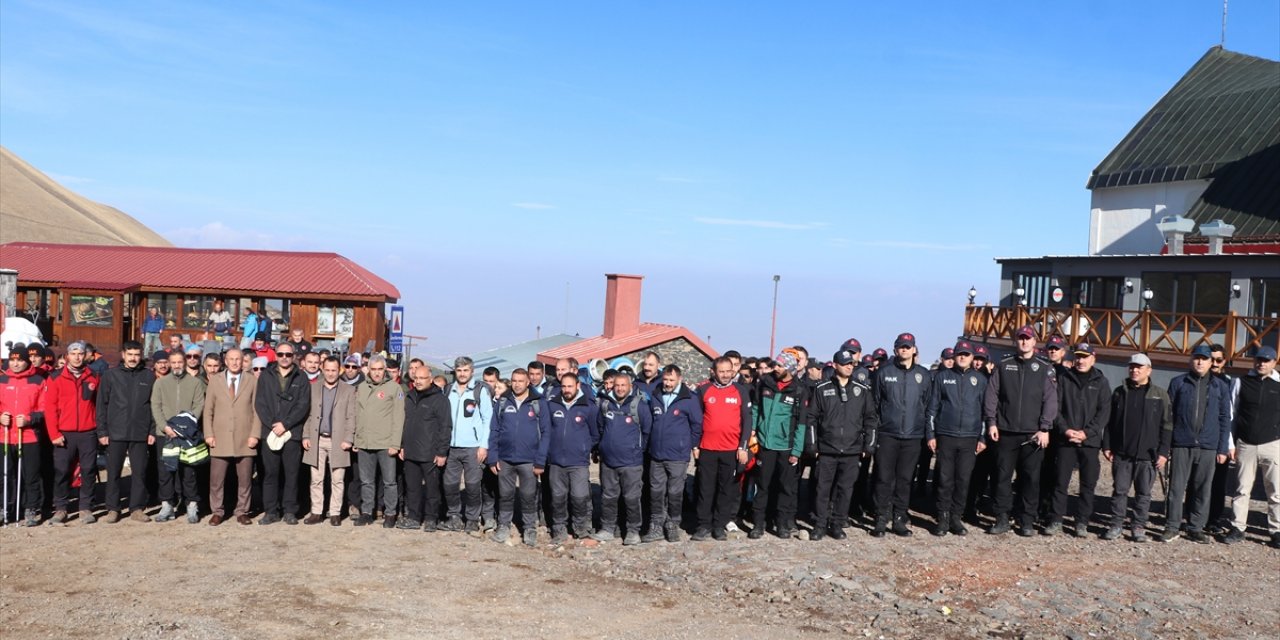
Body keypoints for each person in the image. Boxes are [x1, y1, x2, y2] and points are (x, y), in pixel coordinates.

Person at [983, 325, 1058, 536]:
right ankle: (1002, 518)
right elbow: (992, 394)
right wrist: (991, 422)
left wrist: (1045, 428)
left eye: (1028, 338)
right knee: (1002, 478)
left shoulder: (1044, 368)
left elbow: (1050, 400)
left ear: (1035, 342)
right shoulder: (1004, 365)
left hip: (1032, 435)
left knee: (1030, 480)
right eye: (1021, 338)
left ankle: (1026, 521)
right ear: (1016, 341)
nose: (1024, 342)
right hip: (1005, 432)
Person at [1160, 345, 1231, 544]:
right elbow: (1168, 416)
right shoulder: (1178, 383)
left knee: (1203, 489)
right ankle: (1172, 526)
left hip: (1208, 446)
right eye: (1197, 358)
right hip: (1182, 443)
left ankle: (1195, 527)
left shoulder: (1220, 387)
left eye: (1204, 359)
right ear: (1190, 360)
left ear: (1211, 363)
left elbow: (1225, 418)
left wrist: (1222, 448)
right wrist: (1166, 446)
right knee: (1176, 487)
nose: (1200, 362)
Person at [807, 348, 878, 540]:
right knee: (823, 490)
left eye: (851, 364)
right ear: (835, 365)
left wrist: (868, 446)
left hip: (852, 450)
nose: (849, 367)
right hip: (827, 449)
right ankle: (820, 525)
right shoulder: (822, 389)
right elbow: (811, 419)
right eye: (845, 364)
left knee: (845, 491)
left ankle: (837, 524)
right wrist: (813, 446)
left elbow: (871, 419)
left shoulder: (862, 390)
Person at [1102, 353, 1171, 541]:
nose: (1135, 370)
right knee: (1120, 491)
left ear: (1149, 370)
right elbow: (1109, 423)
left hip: (1148, 455)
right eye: (1132, 367)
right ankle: (1116, 524)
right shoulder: (1119, 392)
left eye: (1139, 367)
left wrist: (1163, 452)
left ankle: (1138, 526)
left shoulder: (1160, 395)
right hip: (1123, 453)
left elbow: (1167, 426)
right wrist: (1107, 446)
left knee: (1144, 493)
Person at [1045, 343, 1110, 537]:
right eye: (1078, 357)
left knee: (1087, 485)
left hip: (1089, 442)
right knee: (1060, 482)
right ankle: (1056, 519)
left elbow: (1104, 412)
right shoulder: (1064, 378)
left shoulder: (1101, 381)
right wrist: (1066, 430)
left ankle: (1081, 522)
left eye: (1085, 357)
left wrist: (1087, 432)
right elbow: (1056, 407)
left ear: (1093, 358)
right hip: (1066, 441)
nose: (1081, 361)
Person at [871, 332, 932, 537]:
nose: (904, 349)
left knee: (905, 479)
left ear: (914, 349)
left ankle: (899, 519)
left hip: (913, 436)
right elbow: (875, 404)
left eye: (908, 346)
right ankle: (880, 519)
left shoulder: (923, 375)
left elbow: (927, 404)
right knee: (883, 478)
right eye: (901, 346)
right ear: (895, 349)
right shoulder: (883, 373)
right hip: (888, 434)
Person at [926, 340, 987, 537]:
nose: (962, 357)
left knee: (963, 480)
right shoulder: (943, 377)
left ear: (971, 358)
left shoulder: (980, 380)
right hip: (946, 436)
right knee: (945, 479)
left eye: (966, 354)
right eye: (959, 354)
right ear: (954, 356)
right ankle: (942, 519)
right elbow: (932, 409)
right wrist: (931, 434)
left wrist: (983, 437)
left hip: (970, 437)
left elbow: (986, 412)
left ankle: (956, 518)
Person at [1222, 346, 1279, 547]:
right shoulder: (1241, 382)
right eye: (1258, 360)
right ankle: (1237, 527)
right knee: (1241, 489)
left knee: (1275, 491)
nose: (1261, 363)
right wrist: (1230, 443)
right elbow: (1231, 414)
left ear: (1274, 362)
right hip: (1245, 444)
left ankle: (1276, 530)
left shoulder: (1278, 384)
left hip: (1273, 443)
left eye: (1266, 360)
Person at [749, 349, 807, 540]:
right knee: (762, 486)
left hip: (786, 447)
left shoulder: (799, 390)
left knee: (785, 488)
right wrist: (753, 432)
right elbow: (756, 409)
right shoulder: (765, 382)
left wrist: (796, 450)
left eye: (780, 365)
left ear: (789, 368)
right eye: (776, 364)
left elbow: (801, 423)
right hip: (765, 444)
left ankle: (781, 525)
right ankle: (758, 524)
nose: (776, 368)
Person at [692, 357, 752, 541]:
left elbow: (747, 422)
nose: (726, 374)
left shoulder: (740, 391)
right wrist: (695, 445)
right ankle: (703, 525)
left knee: (726, 490)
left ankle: (719, 525)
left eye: (729, 371)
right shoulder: (703, 390)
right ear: (713, 371)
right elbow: (696, 420)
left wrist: (743, 447)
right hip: (707, 449)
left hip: (731, 449)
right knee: (705, 488)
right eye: (722, 371)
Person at [96, 341, 156, 523]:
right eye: (130, 354)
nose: (133, 358)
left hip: (140, 432)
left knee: (139, 472)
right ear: (123, 355)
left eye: (137, 354)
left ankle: (137, 508)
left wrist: (152, 430)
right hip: (116, 432)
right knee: (113, 472)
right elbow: (101, 405)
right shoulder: (110, 375)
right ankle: (113, 509)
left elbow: (154, 405)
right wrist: (102, 431)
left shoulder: (148, 376)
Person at [643, 364, 702, 543]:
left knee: (675, 492)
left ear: (679, 379)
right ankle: (656, 525)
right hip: (657, 454)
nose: (667, 383)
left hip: (678, 455)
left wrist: (691, 446)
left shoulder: (690, 399)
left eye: (671, 380)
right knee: (656, 490)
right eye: (665, 379)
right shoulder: (655, 395)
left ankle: (672, 524)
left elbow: (696, 426)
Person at [254, 341, 311, 525]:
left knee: (291, 474)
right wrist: (273, 425)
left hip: (292, 433)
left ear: (294, 356)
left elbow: (303, 405)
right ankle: (270, 511)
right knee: (270, 474)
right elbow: (260, 403)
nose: (284, 358)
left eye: (288, 354)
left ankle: (290, 511)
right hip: (270, 432)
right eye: (280, 354)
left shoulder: (301, 378)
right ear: (276, 355)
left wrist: (285, 424)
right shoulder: (265, 376)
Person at [202, 348, 260, 526]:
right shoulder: (216, 380)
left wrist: (255, 434)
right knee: (217, 480)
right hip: (220, 437)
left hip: (245, 437)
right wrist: (209, 434)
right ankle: (217, 511)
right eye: (231, 359)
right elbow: (208, 410)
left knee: (245, 479)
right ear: (225, 361)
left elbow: (257, 410)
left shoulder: (251, 380)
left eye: (238, 359)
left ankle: (242, 511)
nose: (235, 362)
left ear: (243, 361)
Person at [539, 372, 598, 544]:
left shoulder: (588, 406)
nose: (566, 390)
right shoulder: (552, 405)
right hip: (556, 461)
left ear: (578, 386)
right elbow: (546, 432)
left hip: (578, 462)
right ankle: (559, 530)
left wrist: (584, 448)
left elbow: (595, 433)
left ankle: (580, 529)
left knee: (579, 497)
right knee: (558, 498)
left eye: (570, 386)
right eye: (563, 386)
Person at [43, 341, 99, 524]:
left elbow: (99, 405)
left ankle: (85, 507)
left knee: (89, 469)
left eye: (80, 353)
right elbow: (49, 408)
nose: (77, 357)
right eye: (73, 353)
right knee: (61, 471)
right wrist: (53, 434)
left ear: (86, 356)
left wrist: (98, 428)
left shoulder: (94, 376)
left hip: (87, 431)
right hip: (64, 433)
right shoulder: (56, 377)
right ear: (67, 356)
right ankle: (60, 508)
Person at [593, 372, 652, 545]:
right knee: (608, 497)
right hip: (609, 462)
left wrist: (638, 450)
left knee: (631, 498)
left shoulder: (638, 406)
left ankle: (633, 531)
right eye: (617, 385)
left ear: (630, 386)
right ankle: (607, 528)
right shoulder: (605, 405)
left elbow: (648, 431)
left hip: (631, 462)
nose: (619, 388)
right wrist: (600, 449)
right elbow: (600, 428)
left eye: (623, 385)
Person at [487, 368, 542, 544]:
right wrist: (493, 456)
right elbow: (494, 429)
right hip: (505, 458)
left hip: (529, 459)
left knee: (528, 495)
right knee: (505, 494)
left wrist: (540, 460)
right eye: (514, 381)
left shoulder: (538, 402)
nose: (517, 384)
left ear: (528, 382)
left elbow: (546, 432)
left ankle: (529, 528)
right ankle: (503, 525)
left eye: (521, 381)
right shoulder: (503, 401)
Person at [151, 351, 206, 523]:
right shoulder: (160, 383)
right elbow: (156, 406)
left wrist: (185, 427)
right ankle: (167, 504)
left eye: (179, 362)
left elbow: (199, 405)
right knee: (166, 471)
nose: (176, 365)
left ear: (185, 363)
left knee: (189, 471)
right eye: (173, 362)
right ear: (169, 363)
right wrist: (165, 427)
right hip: (165, 435)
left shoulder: (195, 383)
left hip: (187, 435)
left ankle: (191, 505)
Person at [302, 356, 356, 526]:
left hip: (338, 441)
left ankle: (335, 513)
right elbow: (308, 415)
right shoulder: (313, 388)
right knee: (316, 478)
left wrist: (349, 438)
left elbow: (351, 417)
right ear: (322, 369)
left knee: (337, 479)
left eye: (334, 370)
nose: (331, 373)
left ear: (339, 370)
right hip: (317, 439)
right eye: (328, 370)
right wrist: (306, 435)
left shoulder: (348, 390)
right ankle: (316, 512)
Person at [352, 355, 405, 528]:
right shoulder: (361, 387)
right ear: (368, 369)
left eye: (379, 369)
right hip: (365, 442)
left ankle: (390, 513)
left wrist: (395, 444)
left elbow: (399, 418)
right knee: (366, 481)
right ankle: (367, 512)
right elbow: (357, 414)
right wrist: (356, 439)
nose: (376, 373)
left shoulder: (394, 388)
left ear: (384, 370)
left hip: (385, 443)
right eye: (373, 369)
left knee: (389, 481)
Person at [441, 356, 492, 532]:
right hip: (451, 446)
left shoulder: (479, 391)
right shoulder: (448, 390)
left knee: (472, 485)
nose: (462, 374)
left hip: (473, 447)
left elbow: (488, 419)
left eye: (465, 370)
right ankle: (454, 516)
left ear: (472, 371)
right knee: (450, 484)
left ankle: (472, 518)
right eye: (459, 370)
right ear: (455, 371)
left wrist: (484, 445)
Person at [400, 364, 453, 532]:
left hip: (430, 452)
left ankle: (431, 518)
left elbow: (446, 427)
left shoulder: (440, 400)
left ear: (430, 379)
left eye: (422, 378)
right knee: (413, 487)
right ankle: (414, 517)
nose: (419, 381)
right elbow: (403, 423)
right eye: (416, 378)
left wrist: (442, 452)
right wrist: (401, 445)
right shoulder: (409, 397)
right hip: (410, 451)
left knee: (432, 488)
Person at [1, 344, 47, 526]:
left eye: (19, 360)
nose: (15, 363)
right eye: (12, 360)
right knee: (4, 474)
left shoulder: (37, 380)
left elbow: (44, 409)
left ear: (27, 362)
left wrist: (30, 419)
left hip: (28, 436)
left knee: (31, 474)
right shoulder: (2, 381)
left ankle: (31, 508)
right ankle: (4, 507)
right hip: (4, 435)